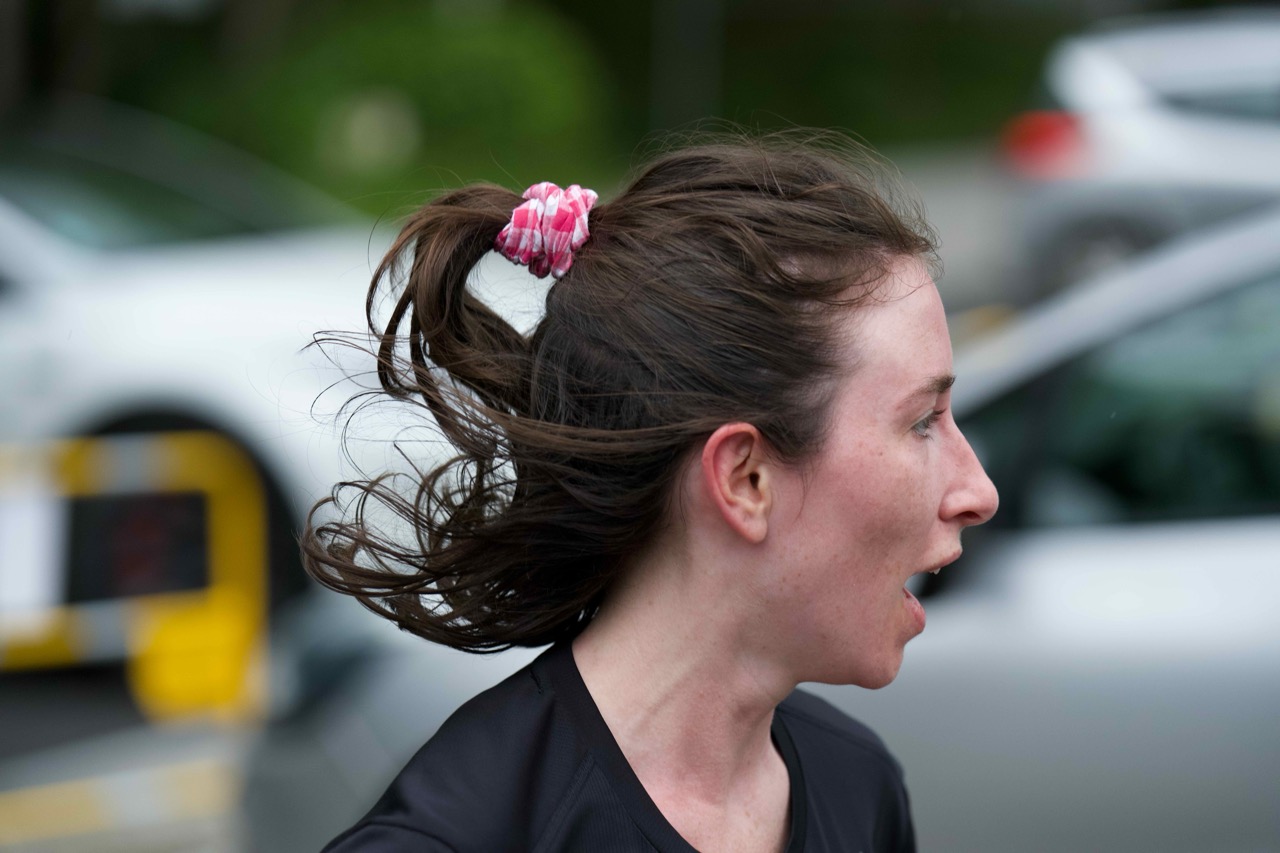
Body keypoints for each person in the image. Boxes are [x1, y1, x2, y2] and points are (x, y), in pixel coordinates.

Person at [304, 131, 999, 852]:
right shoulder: (456, 839)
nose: (978, 492)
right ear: (745, 479)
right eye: (922, 420)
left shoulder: (859, 786)